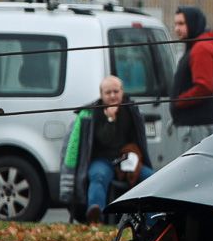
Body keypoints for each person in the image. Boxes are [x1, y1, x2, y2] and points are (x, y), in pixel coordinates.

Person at [60, 75, 154, 223]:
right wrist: (110, 119)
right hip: (102, 159)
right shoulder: (92, 113)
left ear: (122, 92)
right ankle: (95, 214)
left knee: (150, 178)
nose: (112, 96)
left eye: (116, 91)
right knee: (98, 176)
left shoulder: (132, 111)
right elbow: (104, 139)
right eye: (108, 92)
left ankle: (152, 220)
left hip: (127, 159)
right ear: (101, 95)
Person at [170, 5, 213, 154]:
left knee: (192, 173)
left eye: (181, 23)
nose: (177, 28)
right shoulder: (194, 46)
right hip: (193, 125)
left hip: (196, 126)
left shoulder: (201, 48)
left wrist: (178, 101)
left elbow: (204, 87)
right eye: (175, 24)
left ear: (193, 23)